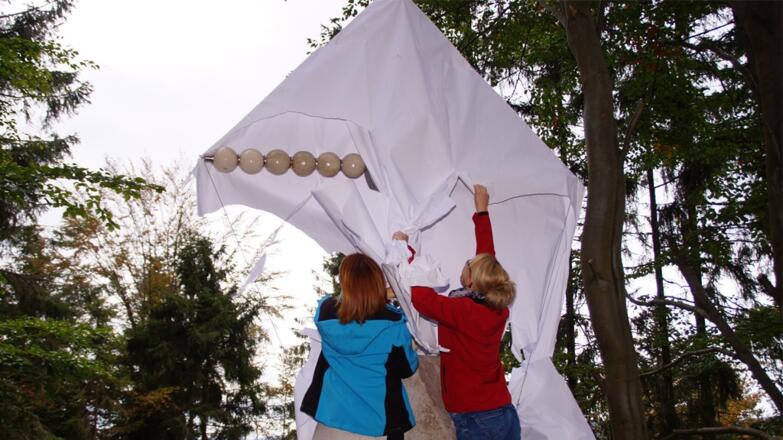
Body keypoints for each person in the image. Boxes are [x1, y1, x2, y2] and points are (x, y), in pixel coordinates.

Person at [394, 184, 520, 440]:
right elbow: (487, 256)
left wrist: (404, 251)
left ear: (472, 279)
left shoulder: (463, 310)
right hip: (503, 412)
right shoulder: (495, 307)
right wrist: (481, 211)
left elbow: (422, 299)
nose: (465, 263)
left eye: (467, 265)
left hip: (477, 417)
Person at [301, 253, 419, 440]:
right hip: (380, 423)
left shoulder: (325, 313)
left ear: (344, 281)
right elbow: (406, 368)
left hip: (331, 417)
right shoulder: (393, 322)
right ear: (378, 281)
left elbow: (341, 304)